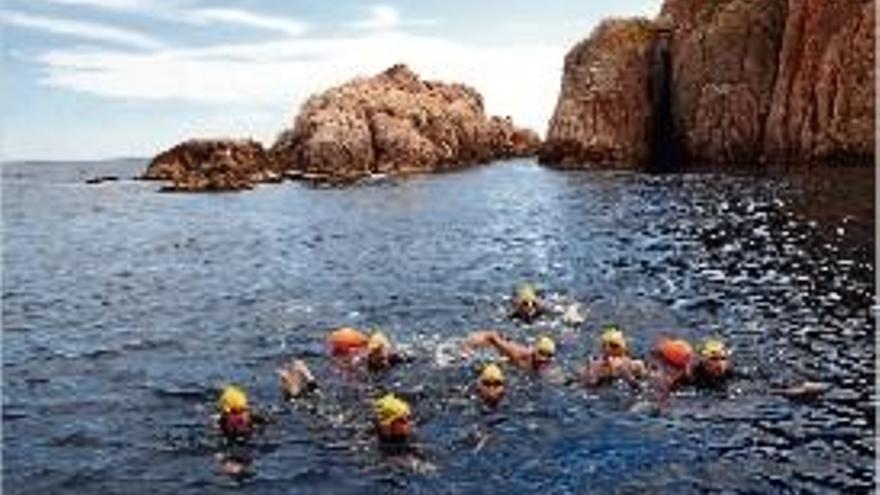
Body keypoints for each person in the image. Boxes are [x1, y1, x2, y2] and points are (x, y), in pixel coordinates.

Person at [462, 330, 556, 374]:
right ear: (534, 351)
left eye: (549, 356)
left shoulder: (547, 366)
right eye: (541, 353)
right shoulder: (517, 353)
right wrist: (467, 349)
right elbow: (491, 337)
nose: (544, 358)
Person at [581, 326, 647, 386]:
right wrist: (592, 375)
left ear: (624, 349)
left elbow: (644, 387)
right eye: (604, 346)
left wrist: (627, 375)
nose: (607, 350)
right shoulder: (594, 365)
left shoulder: (636, 365)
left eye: (614, 346)